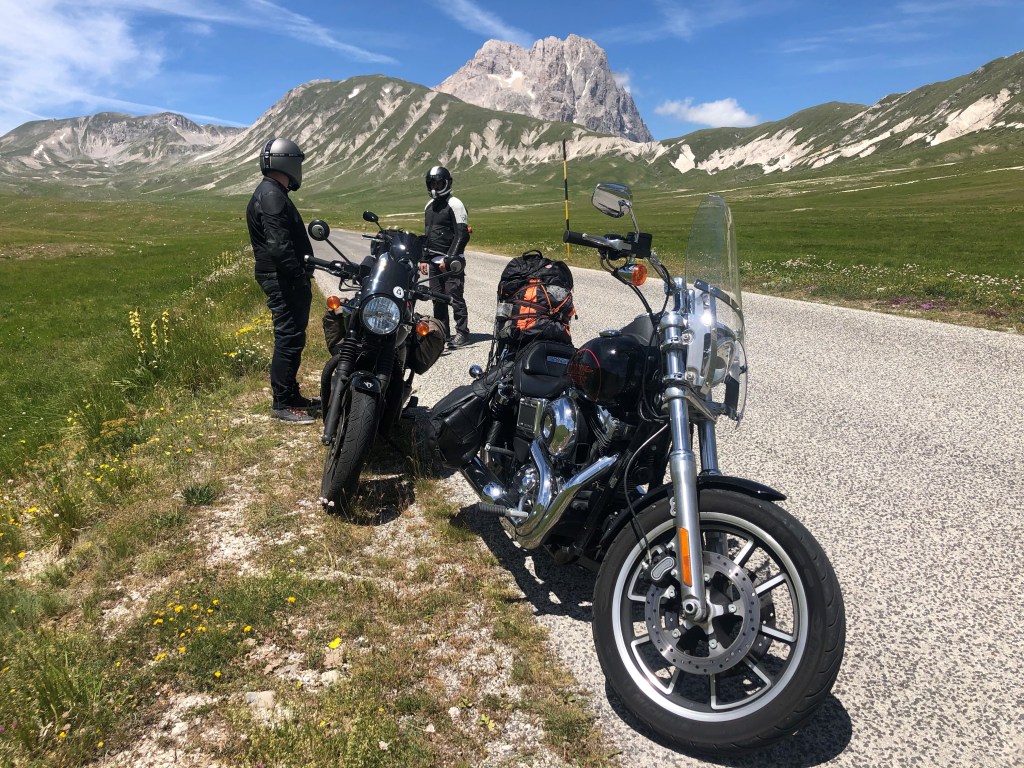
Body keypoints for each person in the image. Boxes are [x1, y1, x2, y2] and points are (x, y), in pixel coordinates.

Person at [246, 137, 320, 424]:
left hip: (281, 277)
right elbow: (279, 246)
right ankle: (282, 403)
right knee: (288, 337)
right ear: (288, 162)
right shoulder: (272, 195)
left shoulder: (271, 192)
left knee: (293, 336)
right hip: (282, 278)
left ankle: (290, 394)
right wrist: (298, 276)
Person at [421, 165, 471, 348]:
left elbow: (462, 234)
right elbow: (427, 234)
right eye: (432, 183)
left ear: (447, 183)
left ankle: (463, 333)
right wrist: (423, 258)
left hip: (452, 261)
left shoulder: (455, 204)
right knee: (437, 298)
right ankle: (443, 333)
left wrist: (449, 258)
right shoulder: (429, 206)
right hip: (433, 261)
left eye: (438, 183)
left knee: (455, 297)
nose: (435, 187)